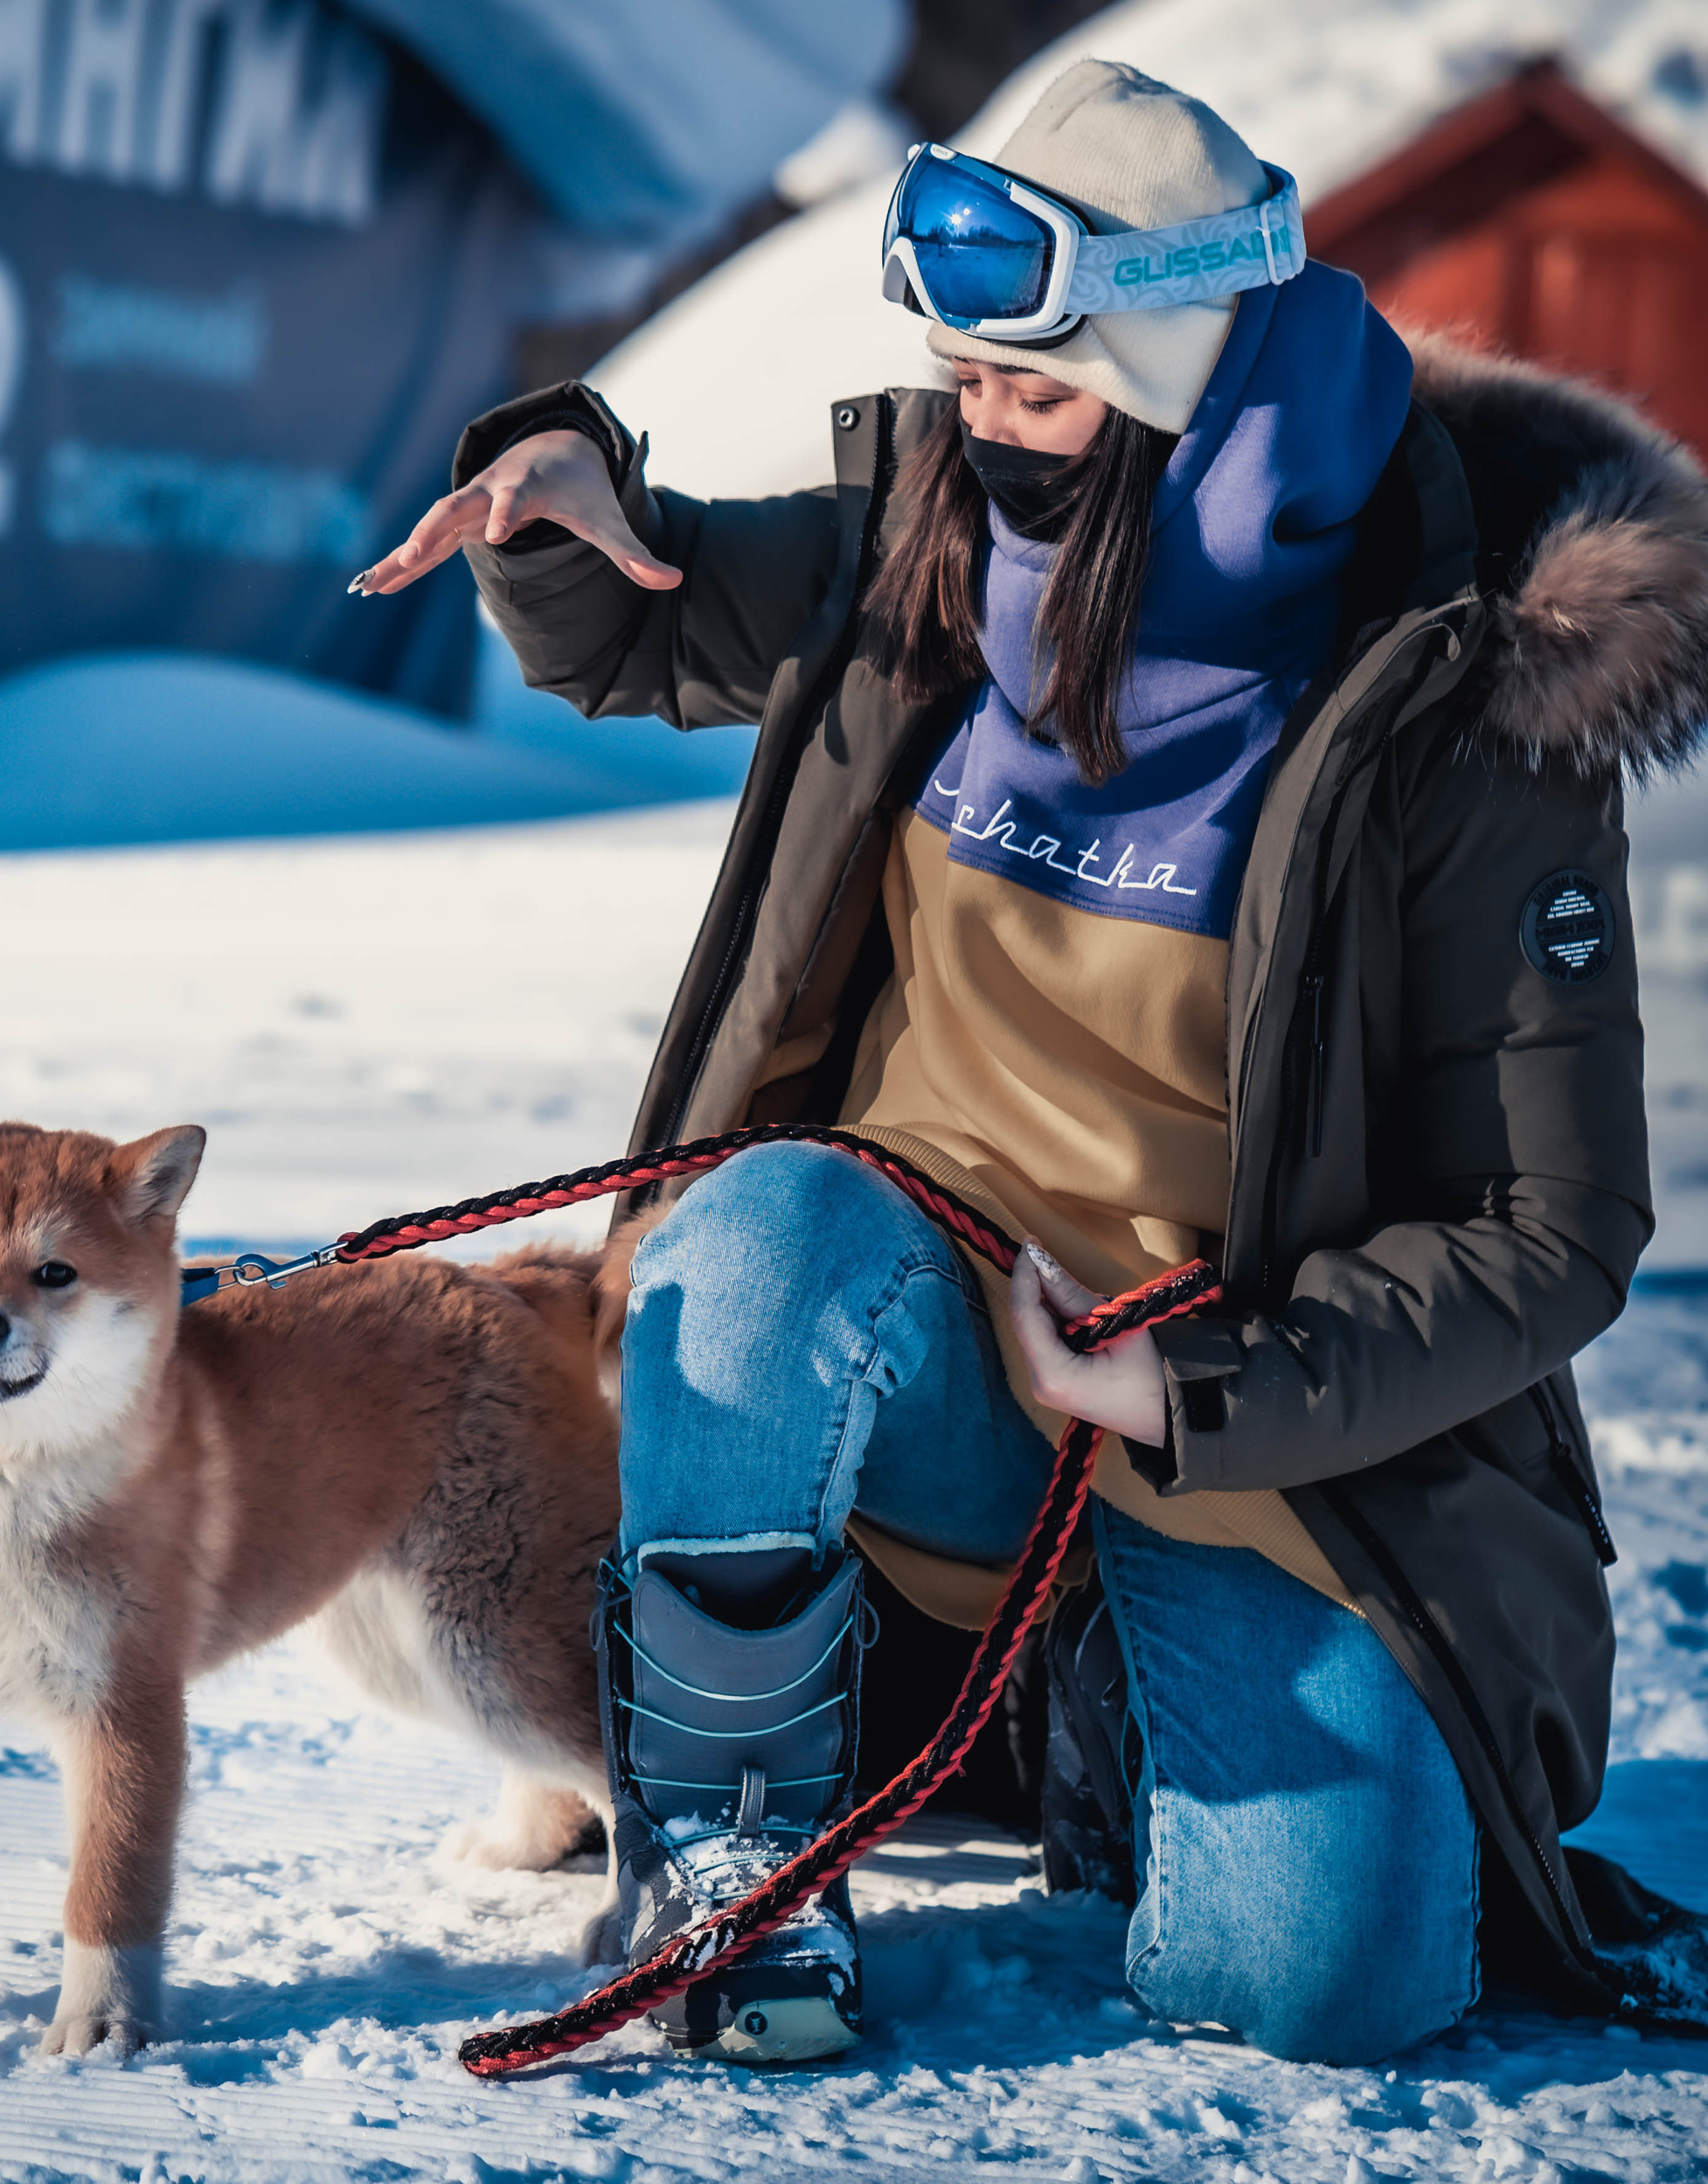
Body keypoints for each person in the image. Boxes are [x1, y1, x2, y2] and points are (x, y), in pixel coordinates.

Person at [354, 61, 1708, 2066]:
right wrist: (562, 500)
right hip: (895, 1332)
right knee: (757, 1224)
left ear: (1179, 386)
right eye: (962, 381)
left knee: (1317, 1987)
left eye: (1033, 388)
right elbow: (638, 624)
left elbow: (1557, 1221)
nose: (978, 427)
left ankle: (1105, 1695)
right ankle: (738, 1862)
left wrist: (1194, 1384)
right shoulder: (939, 552)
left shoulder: (1452, 699)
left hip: (1238, 1428)